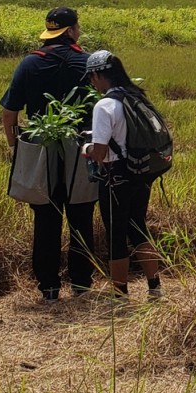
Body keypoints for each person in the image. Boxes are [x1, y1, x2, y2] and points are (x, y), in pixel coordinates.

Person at [0, 6, 96, 303]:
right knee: (81, 215)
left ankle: (49, 288)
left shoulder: (30, 63)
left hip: (41, 149)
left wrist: (16, 147)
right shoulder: (87, 63)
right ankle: (81, 285)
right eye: (77, 27)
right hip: (82, 148)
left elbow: (9, 113)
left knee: (46, 218)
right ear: (70, 31)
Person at [81, 50, 162, 302]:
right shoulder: (137, 97)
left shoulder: (104, 105)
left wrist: (85, 148)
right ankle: (155, 287)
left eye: (92, 77)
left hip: (115, 176)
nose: (92, 83)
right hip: (141, 172)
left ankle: (120, 294)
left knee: (116, 234)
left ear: (97, 74)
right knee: (138, 226)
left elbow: (101, 151)